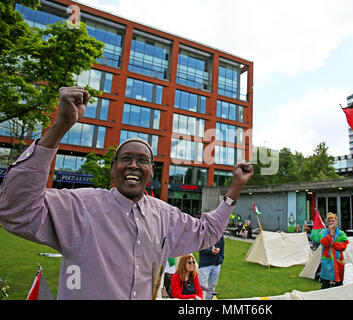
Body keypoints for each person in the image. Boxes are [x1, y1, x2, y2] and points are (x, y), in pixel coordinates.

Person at [0, 87, 253, 300]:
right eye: (126, 159)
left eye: (142, 161)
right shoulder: (77, 206)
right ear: (113, 169)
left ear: (151, 172)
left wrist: (236, 186)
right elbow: (15, 210)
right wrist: (61, 126)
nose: (133, 165)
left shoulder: (165, 215)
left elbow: (206, 232)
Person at [319, 213, 349, 289]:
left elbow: (344, 246)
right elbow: (324, 244)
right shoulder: (324, 232)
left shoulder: (341, 233)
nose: (331, 223)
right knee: (325, 283)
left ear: (336, 221)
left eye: (333, 220)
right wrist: (331, 234)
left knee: (339, 282)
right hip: (327, 260)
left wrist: (333, 244)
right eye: (329, 221)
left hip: (338, 260)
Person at [198, 235, 224, 299]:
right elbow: (199, 247)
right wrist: (210, 251)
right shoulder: (203, 233)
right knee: (201, 286)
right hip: (205, 264)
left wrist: (221, 259)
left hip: (216, 264)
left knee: (212, 287)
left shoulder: (220, 234)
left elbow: (222, 248)